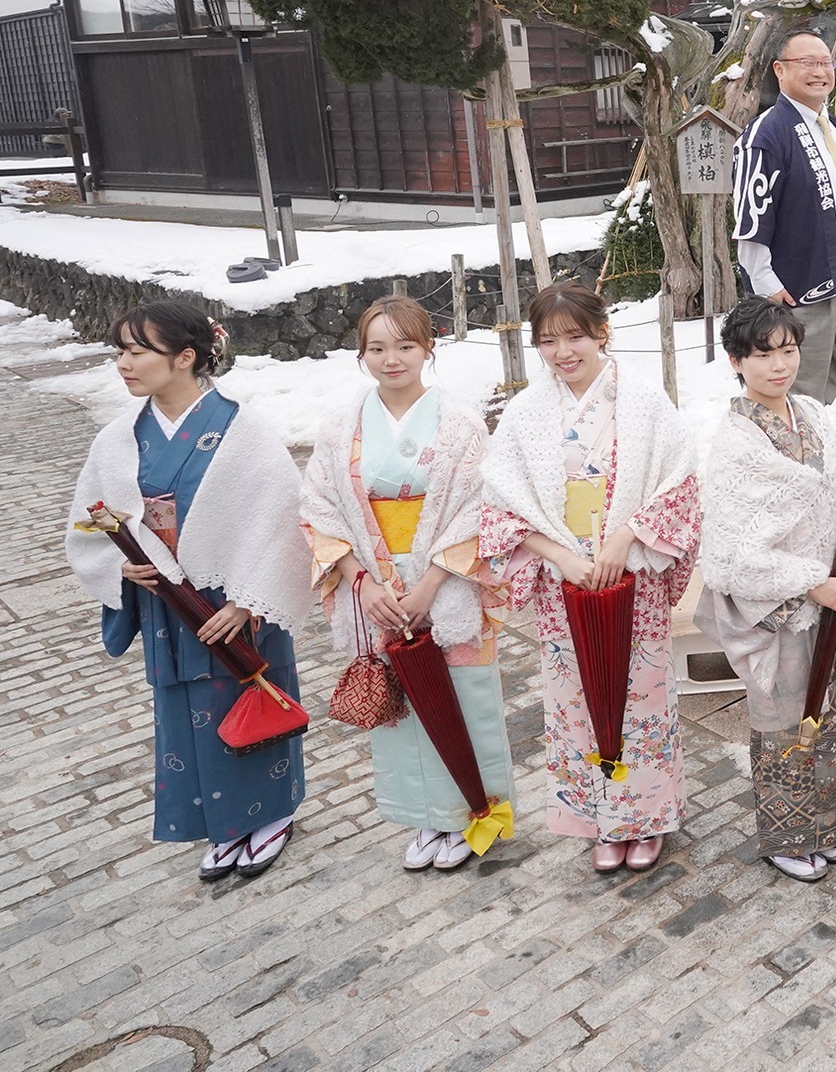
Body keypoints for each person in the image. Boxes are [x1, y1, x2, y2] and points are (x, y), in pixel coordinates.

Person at [65, 303, 308, 881]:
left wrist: (249, 599)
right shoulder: (119, 437)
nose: (123, 363)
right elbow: (88, 519)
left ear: (186, 357)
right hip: (165, 607)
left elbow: (283, 519)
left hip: (233, 601)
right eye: (119, 351)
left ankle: (271, 814)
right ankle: (220, 824)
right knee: (184, 714)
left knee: (250, 699)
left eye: (136, 351)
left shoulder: (241, 430)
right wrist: (118, 568)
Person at [480, 282, 701, 874]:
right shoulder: (526, 412)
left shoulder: (644, 401)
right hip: (563, 580)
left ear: (601, 332)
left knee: (643, 695)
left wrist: (626, 536)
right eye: (548, 341)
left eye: (574, 336)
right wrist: (561, 555)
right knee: (574, 698)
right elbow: (499, 505)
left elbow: (680, 481)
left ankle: (647, 816)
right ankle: (601, 818)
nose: (562, 352)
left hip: (634, 571)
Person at [301, 295, 514, 872]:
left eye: (405, 345)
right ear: (361, 354)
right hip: (374, 584)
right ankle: (424, 818)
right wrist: (360, 580)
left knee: (463, 700)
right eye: (377, 348)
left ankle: (469, 812)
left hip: (446, 579)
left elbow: (481, 507)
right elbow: (319, 504)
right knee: (398, 706)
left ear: (428, 349)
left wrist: (431, 585)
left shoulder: (462, 423)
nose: (391, 359)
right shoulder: (342, 427)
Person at [697, 296, 836, 883]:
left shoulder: (810, 412)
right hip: (781, 604)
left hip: (831, 590)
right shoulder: (734, 443)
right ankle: (788, 836)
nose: (780, 365)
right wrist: (809, 583)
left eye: (789, 350)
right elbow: (731, 551)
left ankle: (832, 824)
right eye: (763, 354)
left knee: (834, 713)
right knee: (784, 719)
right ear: (735, 362)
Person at [732, 28, 836, 404]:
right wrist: (765, 284)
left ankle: (813, 446)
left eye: (826, 62)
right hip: (798, 283)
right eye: (807, 63)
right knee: (795, 388)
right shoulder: (767, 133)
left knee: (827, 383)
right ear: (779, 70)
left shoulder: (834, 129)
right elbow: (752, 214)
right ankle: (789, 457)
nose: (820, 71)